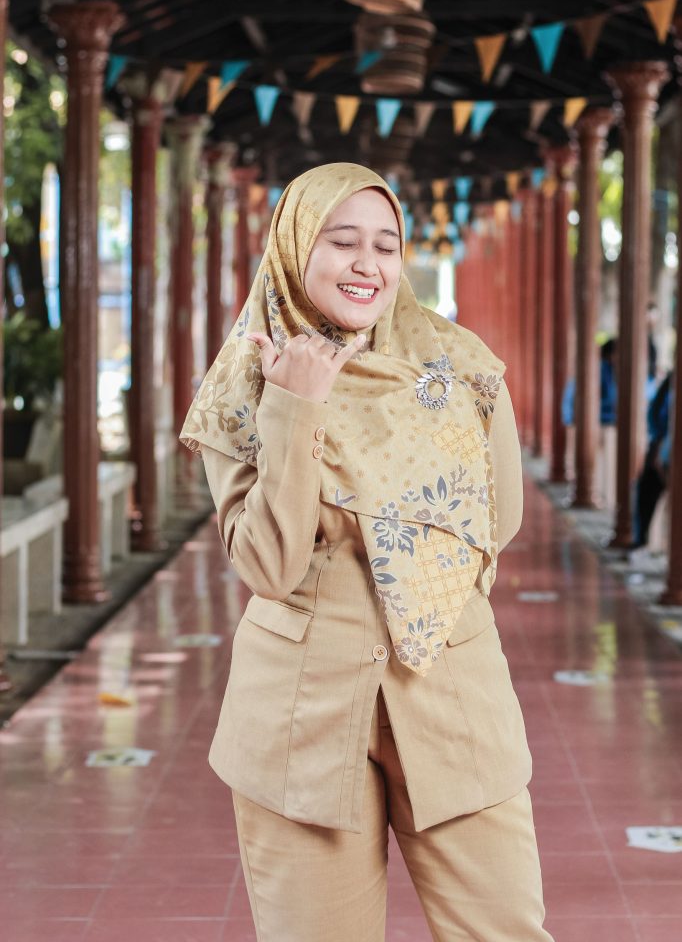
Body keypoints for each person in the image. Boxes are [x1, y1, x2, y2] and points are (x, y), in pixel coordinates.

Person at [180, 162, 554, 942]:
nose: (368, 264)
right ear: (294, 246)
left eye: (386, 245)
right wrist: (296, 405)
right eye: (342, 240)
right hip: (301, 713)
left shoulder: (461, 368)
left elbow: (501, 519)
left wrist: (419, 582)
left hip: (454, 693)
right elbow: (269, 566)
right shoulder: (245, 379)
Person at [629, 369, 673, 556]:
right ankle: (642, 539)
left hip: (665, 451)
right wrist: (659, 447)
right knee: (646, 489)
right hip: (663, 450)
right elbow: (655, 414)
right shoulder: (670, 383)